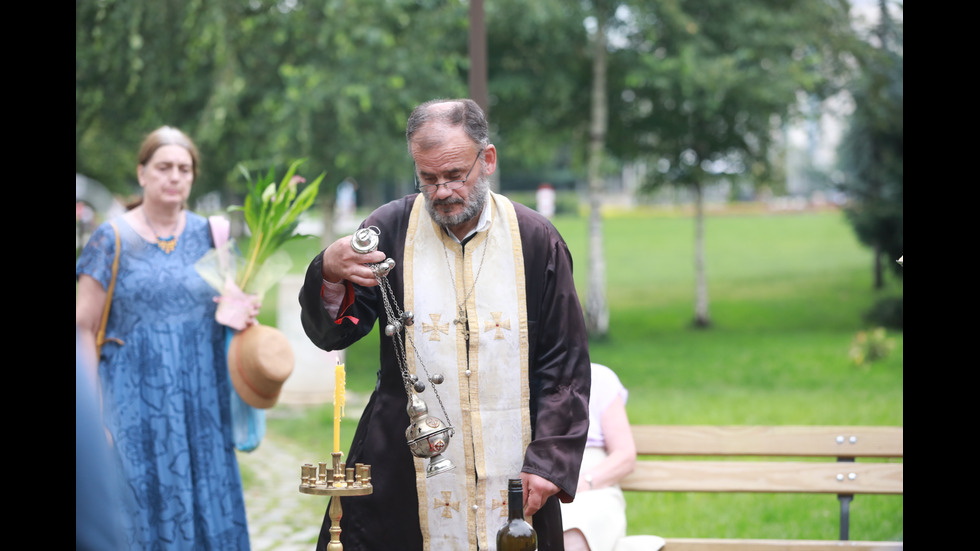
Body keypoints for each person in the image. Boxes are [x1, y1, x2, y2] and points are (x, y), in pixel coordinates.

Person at [299, 98, 592, 551]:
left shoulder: (535, 241)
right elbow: (335, 332)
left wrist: (549, 461)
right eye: (428, 178)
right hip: (407, 466)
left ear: (487, 159)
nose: (441, 192)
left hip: (516, 465)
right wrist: (330, 273)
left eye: (455, 175)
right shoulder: (389, 231)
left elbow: (565, 364)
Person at [75, 126, 257, 550]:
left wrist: (243, 310)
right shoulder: (111, 238)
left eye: (184, 168)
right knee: (137, 511)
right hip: (132, 406)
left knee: (207, 508)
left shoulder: (213, 236)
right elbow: (83, 327)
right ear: (142, 173)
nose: (174, 176)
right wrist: (93, 415)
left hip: (203, 403)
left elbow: (231, 307)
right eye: (163, 167)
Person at [561, 363, 637, 551]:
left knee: (576, 527)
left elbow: (625, 455)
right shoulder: (522, 377)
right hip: (538, 483)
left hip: (596, 487)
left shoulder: (599, 377)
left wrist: (585, 482)